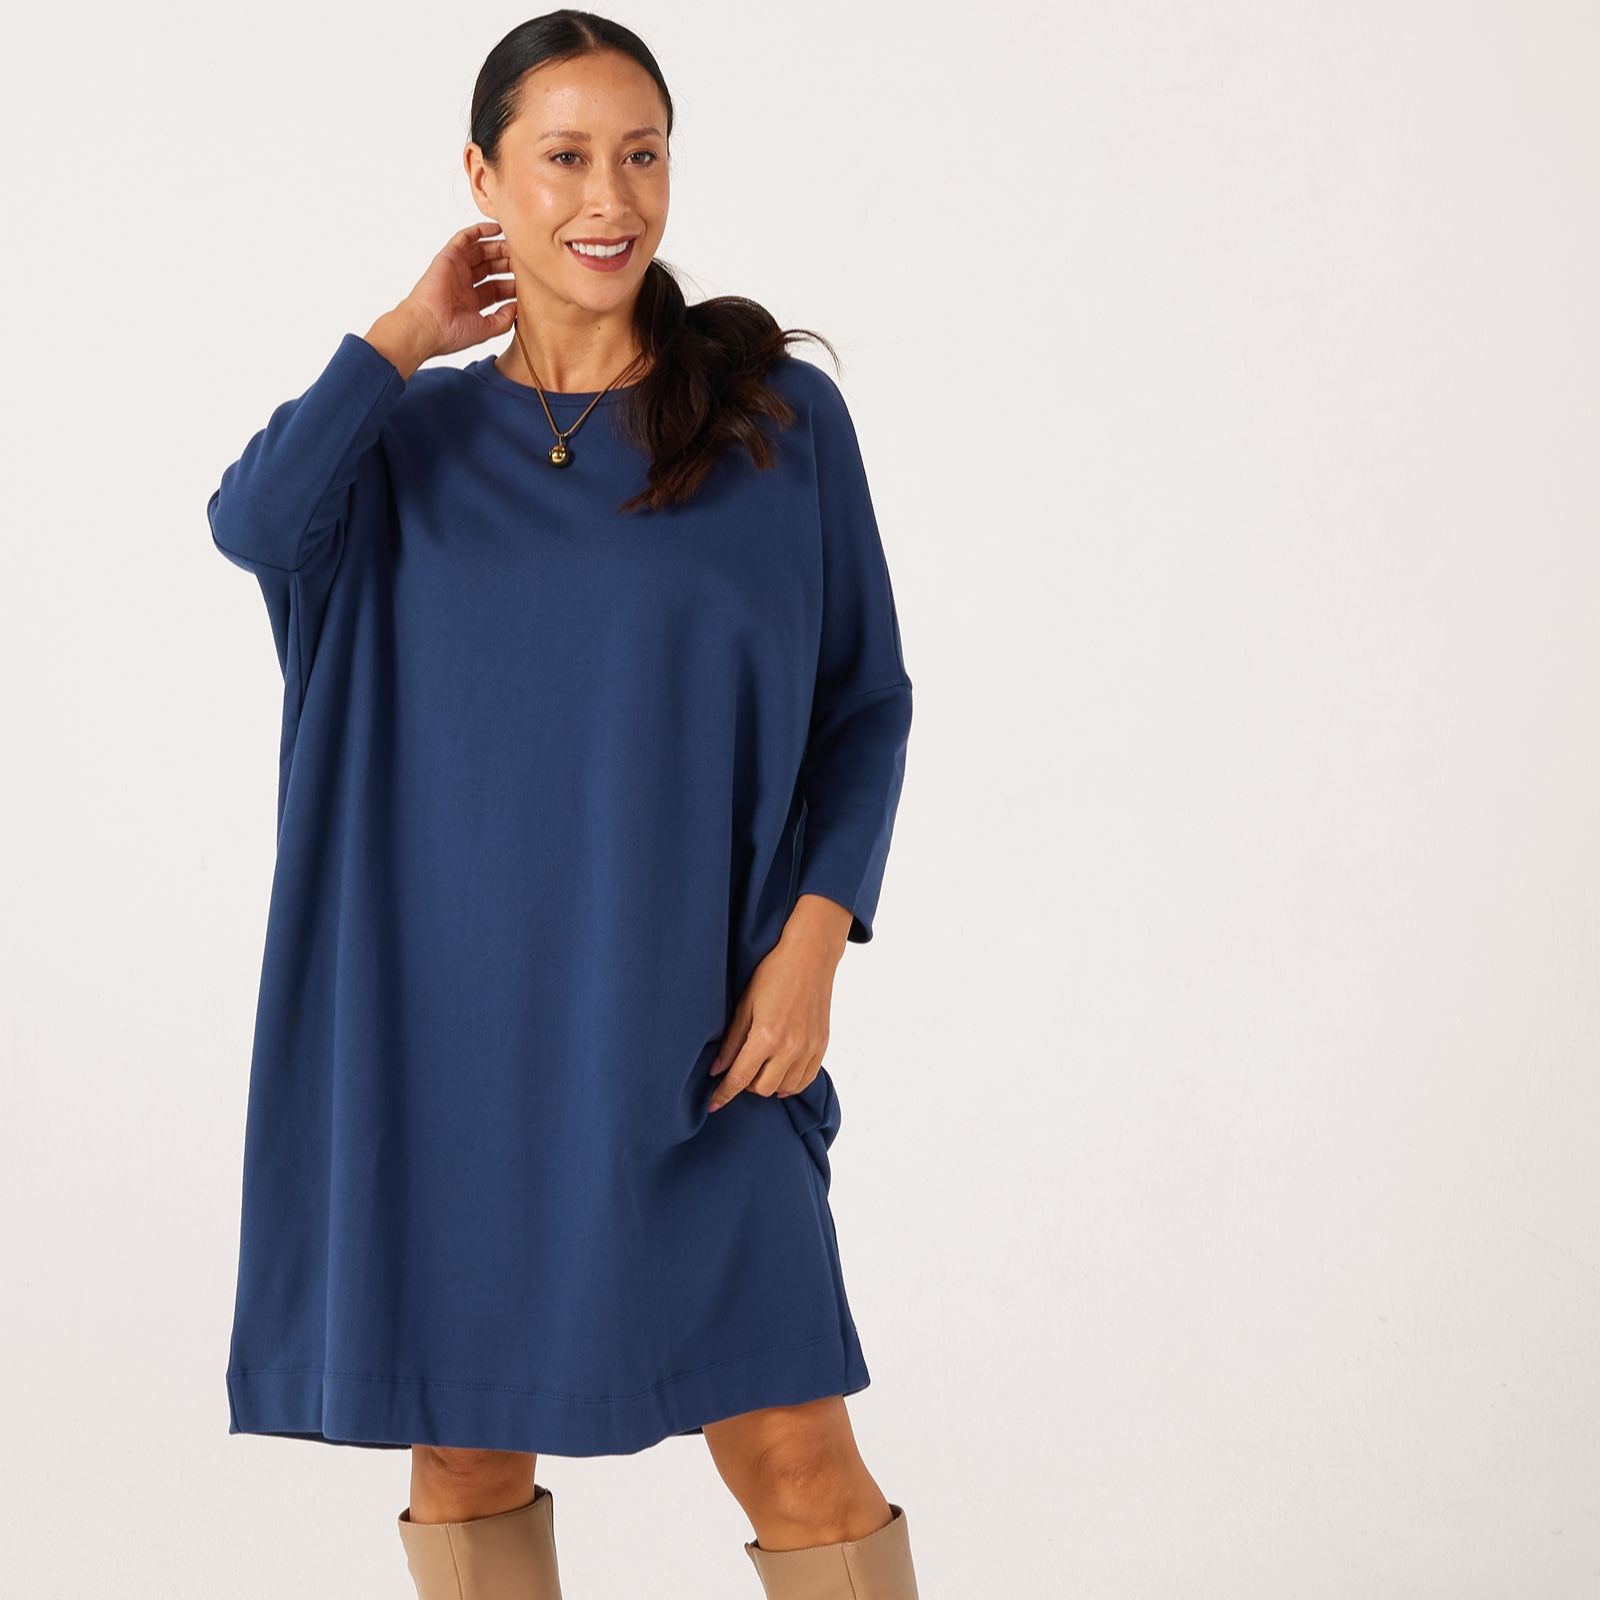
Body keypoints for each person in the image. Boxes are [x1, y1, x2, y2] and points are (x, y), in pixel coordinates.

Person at [207, 11, 918, 1598]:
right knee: (466, 1455)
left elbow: (865, 703)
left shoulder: (778, 425)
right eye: (565, 156)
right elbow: (253, 525)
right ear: (483, 178)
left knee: (799, 1456)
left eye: (642, 154)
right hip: (454, 1051)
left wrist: (816, 939)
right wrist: (401, 335)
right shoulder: (400, 442)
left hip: (703, 1040)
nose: (611, 197)